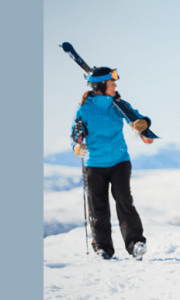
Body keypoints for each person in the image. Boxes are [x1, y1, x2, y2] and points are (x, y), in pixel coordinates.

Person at [71, 67, 151, 260]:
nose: (115, 85)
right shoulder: (85, 110)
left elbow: (140, 119)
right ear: (100, 85)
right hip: (95, 164)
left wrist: (141, 126)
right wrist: (77, 146)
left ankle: (135, 244)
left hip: (119, 161)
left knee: (124, 200)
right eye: (111, 82)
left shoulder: (118, 105)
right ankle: (103, 248)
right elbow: (75, 135)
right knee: (98, 207)